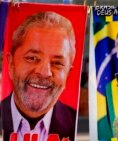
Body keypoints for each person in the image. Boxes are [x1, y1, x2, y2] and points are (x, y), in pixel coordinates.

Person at [1, 11, 77, 141]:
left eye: (57, 63)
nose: (45, 72)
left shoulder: (80, 124)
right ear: (11, 64)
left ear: (68, 73)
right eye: (33, 58)